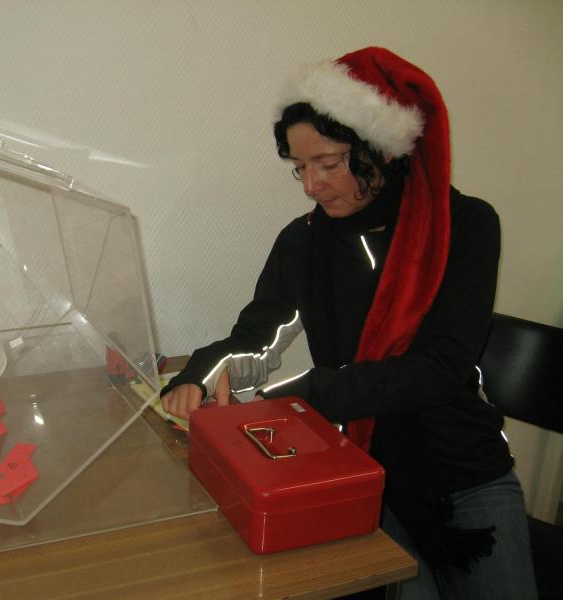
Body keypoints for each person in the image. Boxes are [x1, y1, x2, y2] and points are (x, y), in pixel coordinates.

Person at [160, 47, 537, 600]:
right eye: (300, 167)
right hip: (363, 470)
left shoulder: (465, 226)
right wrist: (197, 374)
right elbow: (255, 336)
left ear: (379, 150)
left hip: (465, 474)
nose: (311, 185)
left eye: (328, 163)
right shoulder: (303, 241)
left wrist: (297, 398)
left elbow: (438, 369)